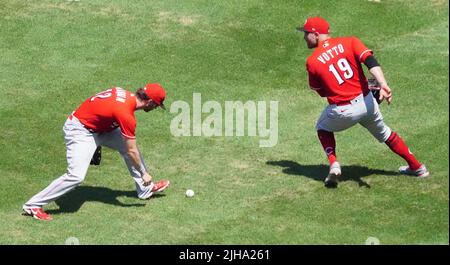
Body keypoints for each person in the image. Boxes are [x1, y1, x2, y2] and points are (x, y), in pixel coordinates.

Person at [297, 17, 429, 188]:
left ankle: (334, 163)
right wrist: (382, 84)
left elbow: (321, 92)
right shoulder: (350, 42)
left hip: (343, 111)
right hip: (367, 103)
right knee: (385, 133)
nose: (305, 37)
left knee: (322, 127)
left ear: (315, 34)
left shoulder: (313, 61)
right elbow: (370, 61)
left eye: (306, 33)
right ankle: (418, 168)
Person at [23, 83, 170, 220]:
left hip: (99, 128)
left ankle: (146, 189)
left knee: (129, 148)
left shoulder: (122, 93)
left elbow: (98, 107)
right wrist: (144, 173)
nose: (156, 108)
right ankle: (33, 205)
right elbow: (131, 150)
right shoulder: (126, 115)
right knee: (76, 176)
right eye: (157, 105)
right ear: (150, 102)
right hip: (80, 130)